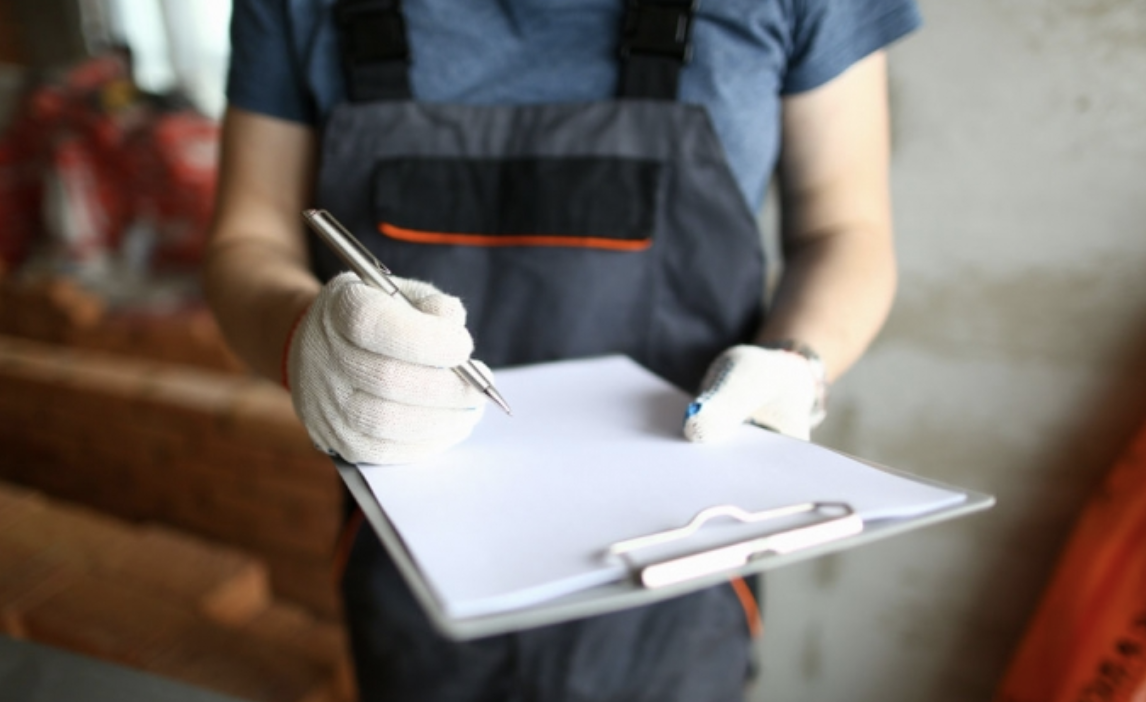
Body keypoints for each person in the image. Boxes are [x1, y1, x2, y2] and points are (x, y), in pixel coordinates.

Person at [204, 1, 921, 699]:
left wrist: (799, 359)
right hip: (411, 585)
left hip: (686, 578)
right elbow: (248, 241)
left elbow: (845, 230)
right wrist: (302, 335)